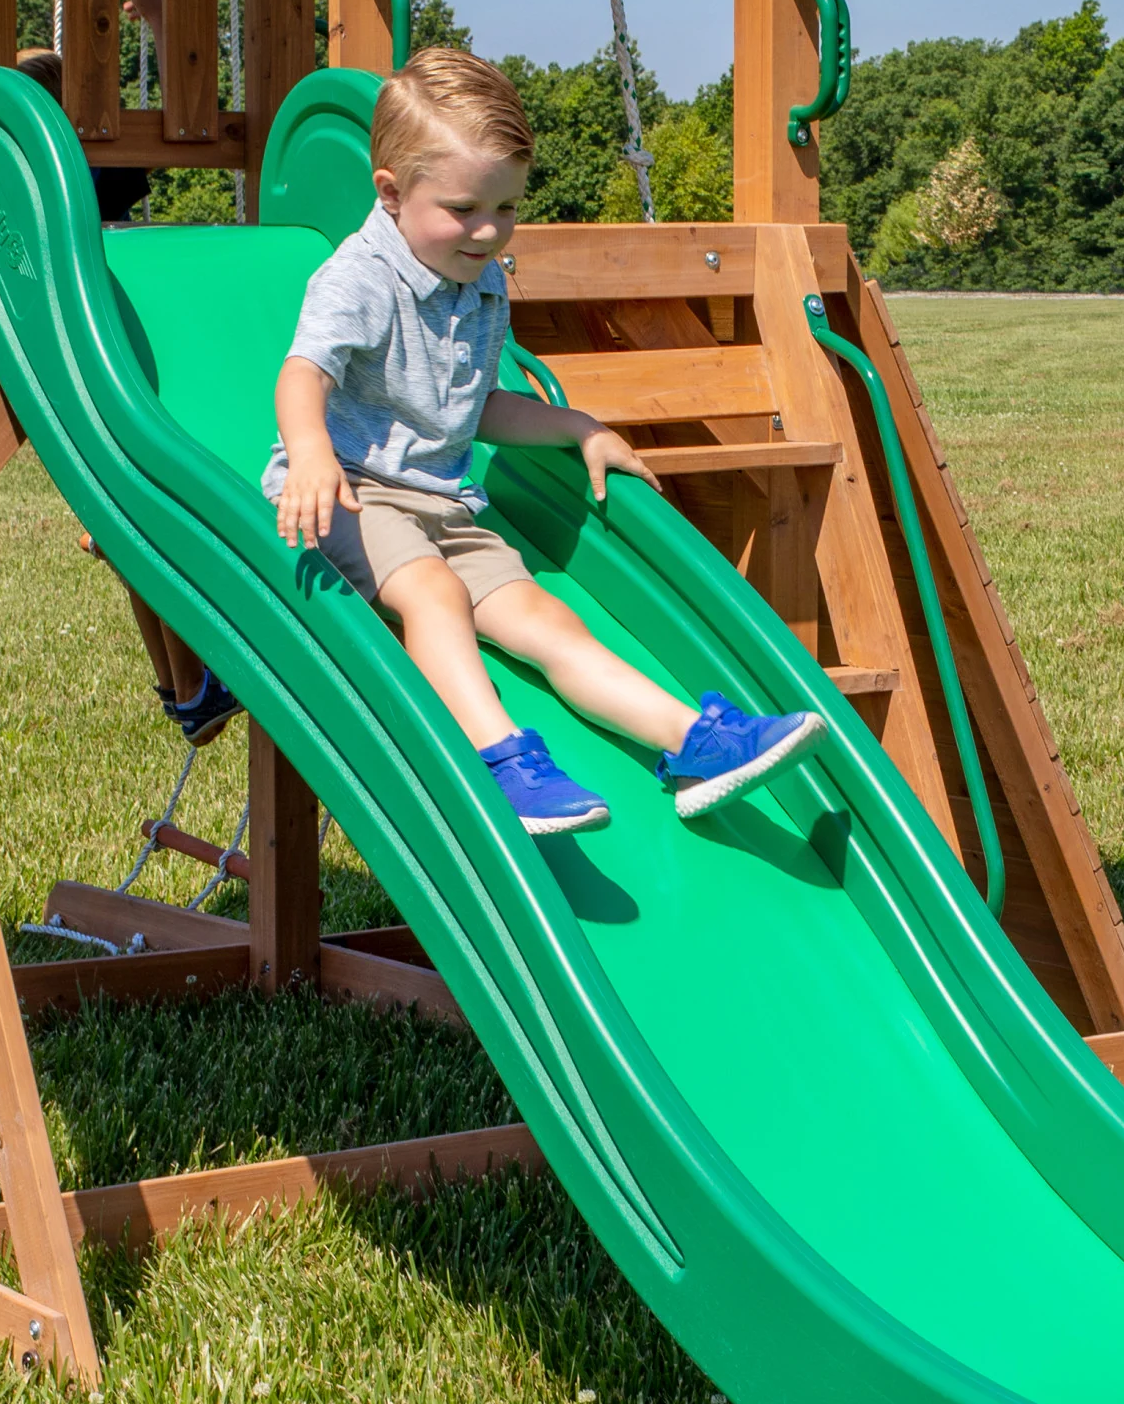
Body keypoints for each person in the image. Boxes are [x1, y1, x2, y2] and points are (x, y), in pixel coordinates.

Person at [268, 48, 825, 835]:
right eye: (464, 209)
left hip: (444, 502)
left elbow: (476, 406)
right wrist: (313, 455)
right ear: (390, 193)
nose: (489, 230)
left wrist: (579, 427)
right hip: (354, 492)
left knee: (547, 620)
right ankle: (498, 761)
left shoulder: (480, 276)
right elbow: (303, 375)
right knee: (432, 596)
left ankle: (692, 743)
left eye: (506, 208)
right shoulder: (358, 278)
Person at [15, 37, 242, 745]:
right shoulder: (93, 165)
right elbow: (182, 120)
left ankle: (188, 688)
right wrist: (157, 30)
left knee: (128, 528)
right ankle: (190, 684)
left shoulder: (29, 189)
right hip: (119, 343)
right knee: (139, 524)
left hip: (77, 351)